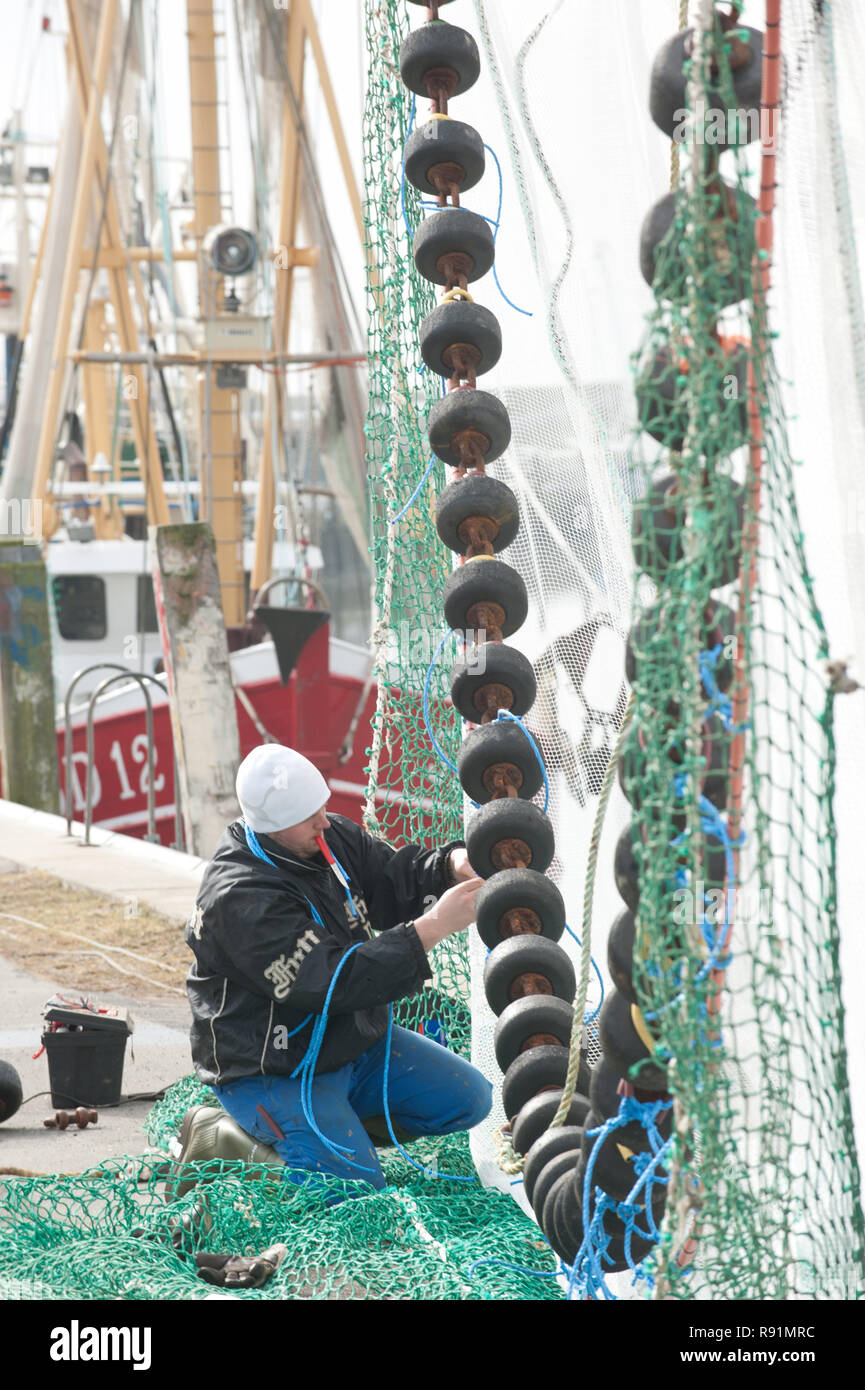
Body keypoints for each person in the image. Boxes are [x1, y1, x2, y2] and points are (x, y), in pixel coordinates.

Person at [183, 743, 491, 1192]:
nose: (324, 821)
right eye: (310, 816)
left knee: (469, 1100)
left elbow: (391, 877)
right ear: (271, 826)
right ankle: (229, 1139)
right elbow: (331, 981)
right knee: (356, 1195)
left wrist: (449, 864)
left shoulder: (326, 838)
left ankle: (328, 1139)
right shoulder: (239, 897)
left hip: (347, 1043)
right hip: (271, 1067)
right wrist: (431, 929)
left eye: (322, 808)